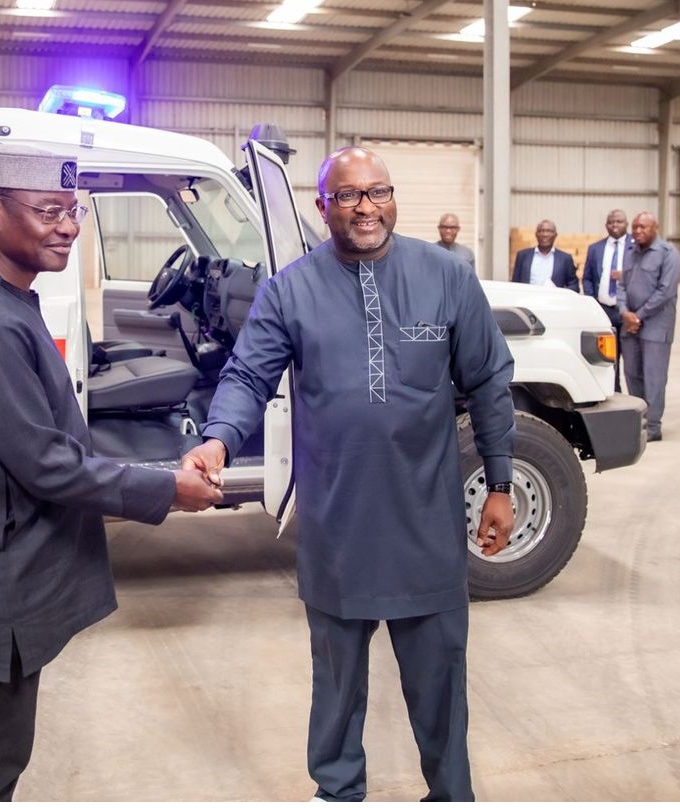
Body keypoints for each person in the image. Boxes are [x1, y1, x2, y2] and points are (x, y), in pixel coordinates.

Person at [183, 146, 516, 801]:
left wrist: (500, 485)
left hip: (427, 521)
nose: (365, 207)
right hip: (338, 526)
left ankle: (451, 795)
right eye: (349, 196)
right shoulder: (291, 290)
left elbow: (489, 379)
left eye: (378, 192)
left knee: (440, 682)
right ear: (323, 207)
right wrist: (218, 440)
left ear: (393, 198)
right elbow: (248, 375)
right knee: (336, 686)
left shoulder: (446, 277)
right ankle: (338, 793)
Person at [0, 144, 223, 801]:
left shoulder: (2, 298)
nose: (68, 225)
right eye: (48, 210)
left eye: (72, 209)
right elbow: (45, 464)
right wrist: (167, 487)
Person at [618, 211, 680, 442]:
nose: (637, 231)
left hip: (656, 326)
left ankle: (653, 426)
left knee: (654, 376)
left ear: (655, 228)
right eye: (635, 227)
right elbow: (621, 285)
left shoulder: (668, 254)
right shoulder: (631, 252)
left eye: (643, 227)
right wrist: (625, 313)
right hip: (630, 325)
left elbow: (666, 291)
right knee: (632, 374)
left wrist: (638, 316)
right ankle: (639, 423)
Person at [582, 209, 632, 393]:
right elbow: (587, 277)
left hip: (627, 310)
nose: (615, 225)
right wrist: (592, 301)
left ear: (626, 224)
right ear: (606, 225)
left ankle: (635, 395)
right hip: (603, 309)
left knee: (631, 359)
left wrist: (624, 275)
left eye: (619, 221)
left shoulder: (635, 247)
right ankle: (614, 391)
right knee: (607, 358)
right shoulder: (595, 248)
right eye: (611, 222)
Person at [511, 219, 579, 291]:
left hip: (554, 301)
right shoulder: (523, 256)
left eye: (549, 231)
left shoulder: (565, 259)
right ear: (536, 234)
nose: (545, 234)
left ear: (555, 235)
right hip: (528, 300)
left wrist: (560, 292)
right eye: (541, 231)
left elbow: (574, 286)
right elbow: (515, 284)